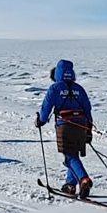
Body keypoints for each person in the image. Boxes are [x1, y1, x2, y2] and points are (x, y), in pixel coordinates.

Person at [35, 59, 94, 198]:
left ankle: (84, 179)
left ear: (57, 74)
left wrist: (41, 121)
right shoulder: (79, 88)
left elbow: (46, 108)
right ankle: (70, 185)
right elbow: (87, 109)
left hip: (65, 125)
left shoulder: (55, 88)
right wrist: (89, 128)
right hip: (81, 124)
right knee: (74, 154)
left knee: (70, 155)